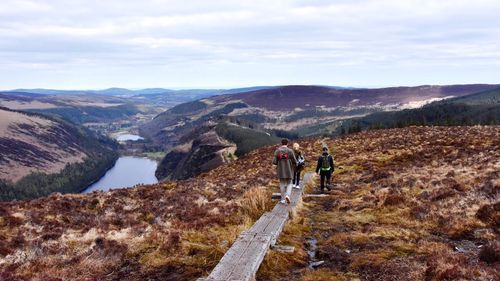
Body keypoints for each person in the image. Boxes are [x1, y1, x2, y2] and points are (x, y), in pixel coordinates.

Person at [273, 139, 297, 204]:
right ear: (287, 143)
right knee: (290, 183)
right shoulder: (290, 151)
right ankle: (287, 195)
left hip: (281, 170)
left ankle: (283, 199)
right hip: (289, 169)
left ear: (281, 143)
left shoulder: (277, 151)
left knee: (282, 183)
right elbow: (294, 161)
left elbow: (274, 162)